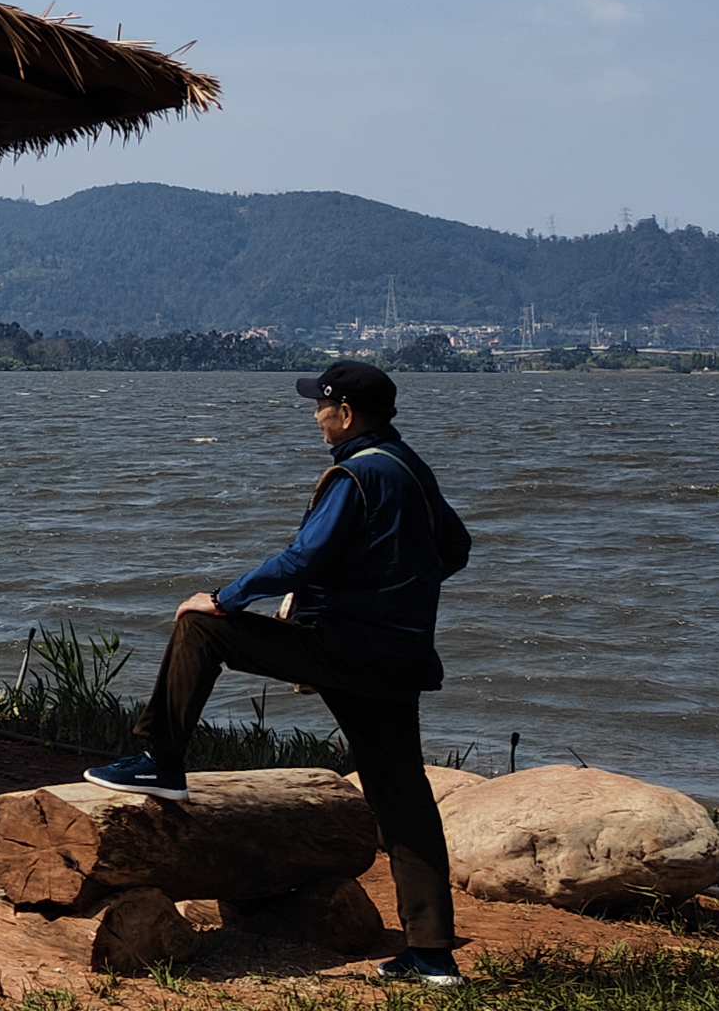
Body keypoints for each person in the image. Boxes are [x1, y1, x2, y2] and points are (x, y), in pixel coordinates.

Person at [84, 360, 476, 988]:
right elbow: (453, 551)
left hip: (343, 648)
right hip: (396, 659)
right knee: (403, 798)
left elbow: (303, 558)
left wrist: (225, 595)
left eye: (320, 407)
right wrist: (382, 597)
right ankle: (431, 956)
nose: (315, 418)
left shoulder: (356, 471)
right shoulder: (410, 467)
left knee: (200, 628)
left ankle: (160, 758)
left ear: (345, 413)